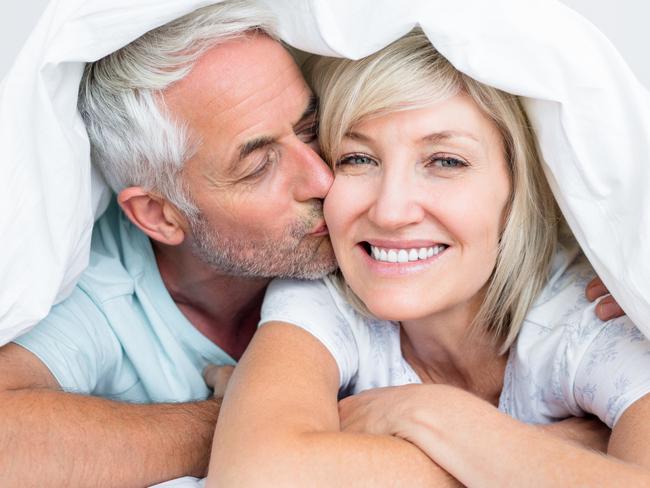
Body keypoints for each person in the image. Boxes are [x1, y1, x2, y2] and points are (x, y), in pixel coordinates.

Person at [209, 29, 650, 486]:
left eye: (446, 161)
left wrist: (426, 413)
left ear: (518, 190)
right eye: (358, 158)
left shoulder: (591, 317)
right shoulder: (327, 294)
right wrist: (558, 449)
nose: (390, 211)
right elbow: (255, 475)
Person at [0, 2, 338, 486]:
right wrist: (262, 422)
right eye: (259, 165)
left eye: (308, 127)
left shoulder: (362, 226)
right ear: (159, 215)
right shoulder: (102, 293)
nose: (324, 179)